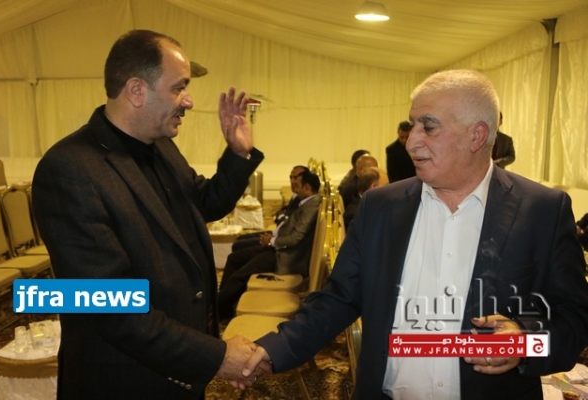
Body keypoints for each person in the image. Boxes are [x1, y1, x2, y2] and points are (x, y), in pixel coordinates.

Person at [241, 69, 588, 399]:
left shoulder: (541, 211)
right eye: (412, 126)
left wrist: (523, 343)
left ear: (477, 135)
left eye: (429, 127)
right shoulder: (381, 206)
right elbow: (339, 298)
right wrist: (273, 350)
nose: (411, 143)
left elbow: (575, 320)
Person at [31, 29, 268, 399]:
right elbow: (110, 307)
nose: (189, 101)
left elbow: (203, 203)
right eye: (179, 88)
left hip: (175, 366)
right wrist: (216, 356)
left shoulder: (162, 148)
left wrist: (238, 155)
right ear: (137, 91)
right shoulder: (69, 169)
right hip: (123, 380)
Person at [217, 171, 321, 319]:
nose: (294, 187)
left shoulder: (311, 207)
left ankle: (218, 311)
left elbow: (295, 238)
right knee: (235, 258)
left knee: (239, 276)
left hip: (285, 257)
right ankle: (223, 307)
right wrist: (272, 238)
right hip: (279, 248)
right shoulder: (308, 203)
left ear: (307, 187)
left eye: (298, 184)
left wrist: (272, 241)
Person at [231, 165, 309, 252]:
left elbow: (287, 221)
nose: (292, 181)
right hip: (276, 233)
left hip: (279, 239)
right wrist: (281, 216)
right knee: (239, 239)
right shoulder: (296, 196)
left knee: (238, 246)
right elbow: (283, 211)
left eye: (295, 177)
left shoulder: (303, 200)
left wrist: (271, 239)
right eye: (291, 178)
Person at [344, 166, 388, 231]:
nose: (389, 189)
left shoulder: (371, 204)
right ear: (374, 187)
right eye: (386, 185)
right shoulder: (355, 214)